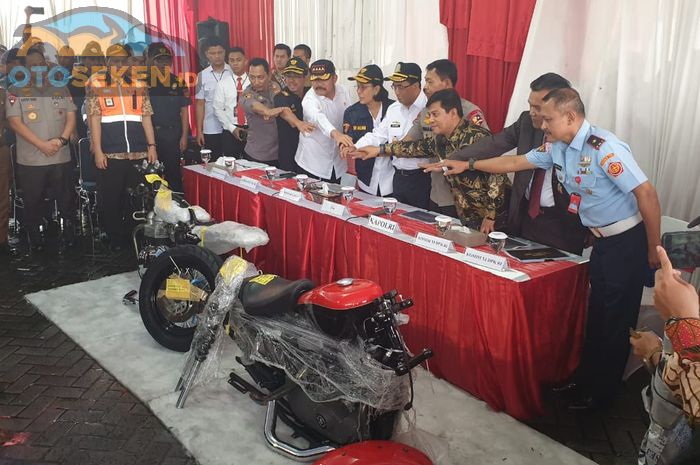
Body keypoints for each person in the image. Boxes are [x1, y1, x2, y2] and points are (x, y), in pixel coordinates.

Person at [426, 87, 662, 410]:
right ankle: (584, 379)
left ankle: (602, 395)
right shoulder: (557, 148)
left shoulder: (604, 148)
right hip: (603, 243)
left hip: (627, 243)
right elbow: (514, 162)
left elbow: (646, 194)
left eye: (548, 119)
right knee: (596, 317)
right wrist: (468, 165)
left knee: (616, 322)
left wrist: (653, 247)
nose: (542, 124)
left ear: (570, 116)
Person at [445, 72, 588, 254]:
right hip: (526, 216)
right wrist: (457, 159)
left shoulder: (580, 141)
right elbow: (496, 145)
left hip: (562, 222)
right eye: (530, 105)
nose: (533, 112)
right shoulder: (527, 122)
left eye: (538, 107)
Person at [354, 89, 508, 232]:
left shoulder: (478, 137)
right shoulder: (441, 140)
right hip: (467, 216)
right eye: (429, 115)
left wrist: (490, 216)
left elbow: (497, 176)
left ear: (453, 113)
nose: (429, 120)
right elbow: (415, 147)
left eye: (435, 114)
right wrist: (378, 150)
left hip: (493, 220)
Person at [86, 44, 158, 250]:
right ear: (107, 62)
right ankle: (114, 236)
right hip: (110, 152)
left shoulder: (139, 83)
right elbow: (94, 117)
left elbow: (146, 117)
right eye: (114, 61)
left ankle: (134, 234)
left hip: (137, 151)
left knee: (137, 197)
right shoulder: (95, 82)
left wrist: (151, 146)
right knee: (110, 197)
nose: (118, 65)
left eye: (122, 61)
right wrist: (98, 150)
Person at [6, 48, 77, 251]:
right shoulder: (15, 90)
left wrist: (62, 140)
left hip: (60, 155)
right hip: (32, 159)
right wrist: (42, 145)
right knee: (33, 200)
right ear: (25, 68)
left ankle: (70, 234)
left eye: (41, 64)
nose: (38, 68)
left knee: (66, 198)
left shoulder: (60, 87)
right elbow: (15, 123)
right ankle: (35, 239)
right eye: (32, 65)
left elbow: (71, 117)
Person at [398, 59, 488, 217]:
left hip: (462, 199)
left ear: (446, 83)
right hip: (435, 193)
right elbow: (409, 140)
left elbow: (486, 151)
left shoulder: (470, 113)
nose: (425, 88)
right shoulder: (426, 112)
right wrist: (384, 149)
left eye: (429, 82)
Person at [348, 62, 430, 209]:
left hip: (422, 178)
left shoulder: (429, 107)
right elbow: (378, 134)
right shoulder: (394, 109)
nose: (397, 92)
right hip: (398, 179)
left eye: (401, 86)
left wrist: (379, 150)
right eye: (394, 86)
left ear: (416, 85)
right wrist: (355, 146)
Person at [294, 59, 352, 183]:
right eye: (315, 79)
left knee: (334, 199)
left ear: (334, 78)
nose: (318, 84)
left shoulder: (344, 91)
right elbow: (319, 118)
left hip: (337, 162)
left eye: (323, 79)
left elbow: (350, 117)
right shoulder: (309, 99)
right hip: (313, 164)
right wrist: (337, 135)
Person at [343, 65, 395, 196]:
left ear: (376, 89)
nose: (359, 91)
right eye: (357, 86)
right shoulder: (352, 112)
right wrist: (347, 147)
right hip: (366, 180)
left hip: (392, 180)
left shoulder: (394, 109)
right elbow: (348, 140)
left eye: (363, 87)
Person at [147, 42, 190, 193]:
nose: (163, 63)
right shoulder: (144, 82)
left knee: (173, 174)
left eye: (167, 60)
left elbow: (184, 112)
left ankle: (178, 206)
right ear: (153, 62)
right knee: (151, 175)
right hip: (152, 136)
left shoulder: (179, 82)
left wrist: (184, 136)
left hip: (172, 135)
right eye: (159, 60)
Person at [237, 58, 282, 164]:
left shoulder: (275, 86)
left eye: (260, 77)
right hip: (257, 154)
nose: (256, 82)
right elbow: (257, 107)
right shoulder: (246, 95)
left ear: (269, 75)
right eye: (252, 77)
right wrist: (271, 111)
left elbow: (280, 100)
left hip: (278, 153)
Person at [195, 39, 232, 161]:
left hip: (231, 126)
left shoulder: (233, 72)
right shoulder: (201, 76)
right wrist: (199, 131)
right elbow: (200, 104)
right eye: (212, 53)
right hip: (211, 127)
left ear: (225, 52)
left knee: (231, 160)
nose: (217, 56)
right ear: (207, 54)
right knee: (212, 163)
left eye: (220, 52)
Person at [273, 57, 311, 172]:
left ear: (305, 77)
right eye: (289, 76)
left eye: (297, 76)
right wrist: (298, 123)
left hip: (310, 155)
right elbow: (285, 111)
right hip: (290, 155)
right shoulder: (281, 96)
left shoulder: (311, 94)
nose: (292, 80)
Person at [212, 46, 248, 158]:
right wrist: (233, 129)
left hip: (252, 129)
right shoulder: (222, 84)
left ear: (245, 61)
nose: (235, 63)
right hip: (230, 130)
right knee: (231, 166)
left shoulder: (254, 82)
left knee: (253, 164)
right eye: (232, 60)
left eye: (238, 60)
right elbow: (217, 109)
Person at [0, 83, 14, 255]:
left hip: (1, 149)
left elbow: (15, 121)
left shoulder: (3, 94)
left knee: (3, 197)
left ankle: (2, 239)